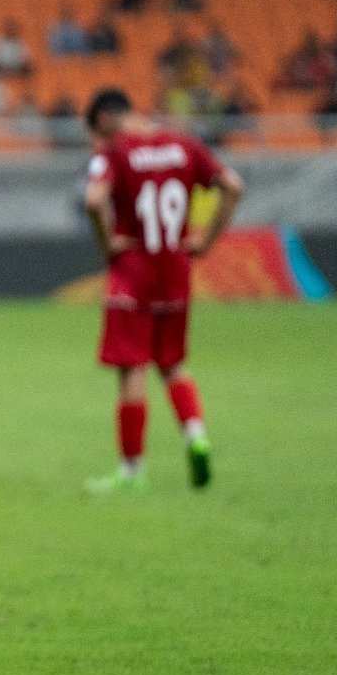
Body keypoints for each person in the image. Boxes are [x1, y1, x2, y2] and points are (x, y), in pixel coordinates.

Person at [81, 88, 244, 494]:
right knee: (172, 363)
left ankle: (132, 470)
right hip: (175, 271)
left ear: (104, 119)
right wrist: (206, 241)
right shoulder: (184, 144)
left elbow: (93, 199)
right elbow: (233, 186)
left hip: (133, 271)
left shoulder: (116, 150)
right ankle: (195, 433)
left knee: (132, 367)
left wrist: (107, 245)